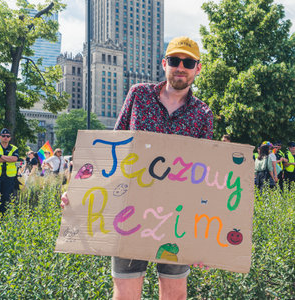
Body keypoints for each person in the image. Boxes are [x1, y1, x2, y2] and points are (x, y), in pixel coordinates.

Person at [61, 36, 212, 300]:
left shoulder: (203, 114)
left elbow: (204, 175)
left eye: (188, 62)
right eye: (175, 60)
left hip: (177, 217)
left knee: (175, 294)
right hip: (129, 211)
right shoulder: (138, 94)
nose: (181, 67)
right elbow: (114, 147)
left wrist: (202, 238)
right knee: (125, 294)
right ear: (164, 63)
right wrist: (79, 192)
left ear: (197, 68)